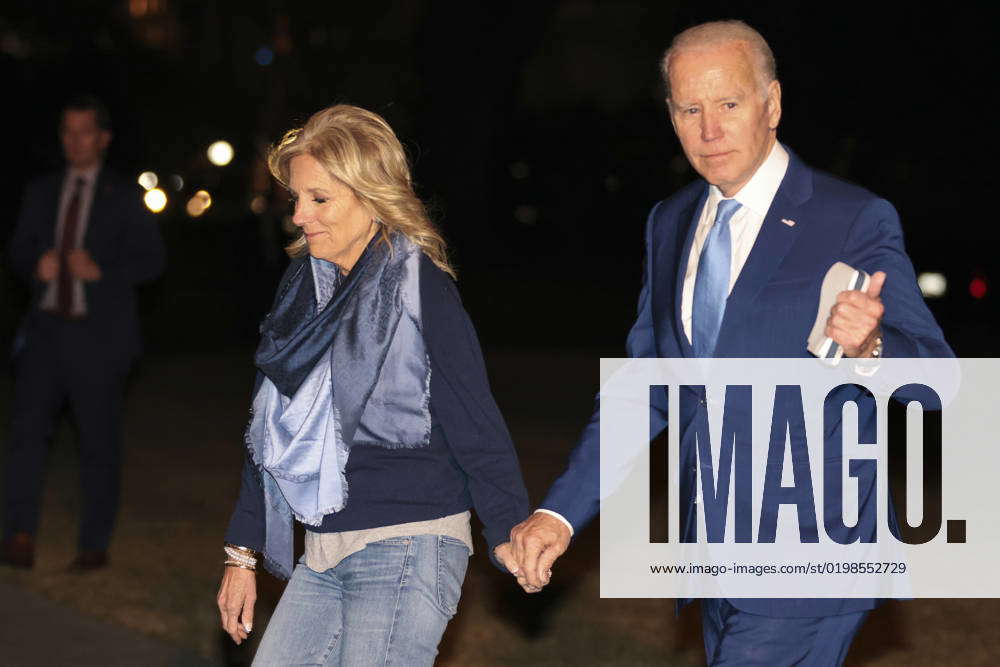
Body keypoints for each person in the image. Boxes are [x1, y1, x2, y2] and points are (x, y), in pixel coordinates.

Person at [505, 20, 952, 666]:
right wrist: (560, 514)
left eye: (729, 104)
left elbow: (939, 380)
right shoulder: (671, 223)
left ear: (772, 104)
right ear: (671, 114)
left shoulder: (850, 218)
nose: (708, 130)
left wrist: (873, 346)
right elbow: (644, 389)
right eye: (690, 109)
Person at [216, 104, 529, 665]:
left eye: (319, 198)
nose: (300, 216)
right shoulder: (301, 294)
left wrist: (509, 529)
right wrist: (242, 556)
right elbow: (267, 434)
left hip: (410, 541)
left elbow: (476, 424)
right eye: (297, 199)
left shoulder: (421, 289)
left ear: (369, 194)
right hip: (322, 550)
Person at [2, 95, 166, 571]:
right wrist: (37, 265)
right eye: (67, 132)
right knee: (28, 436)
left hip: (98, 340)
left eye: (84, 132)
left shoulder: (123, 195)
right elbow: (18, 251)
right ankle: (18, 534)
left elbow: (152, 261)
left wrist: (103, 271)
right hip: (45, 333)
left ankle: (93, 545)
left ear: (103, 138)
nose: (75, 141)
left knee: (98, 443)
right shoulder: (41, 191)